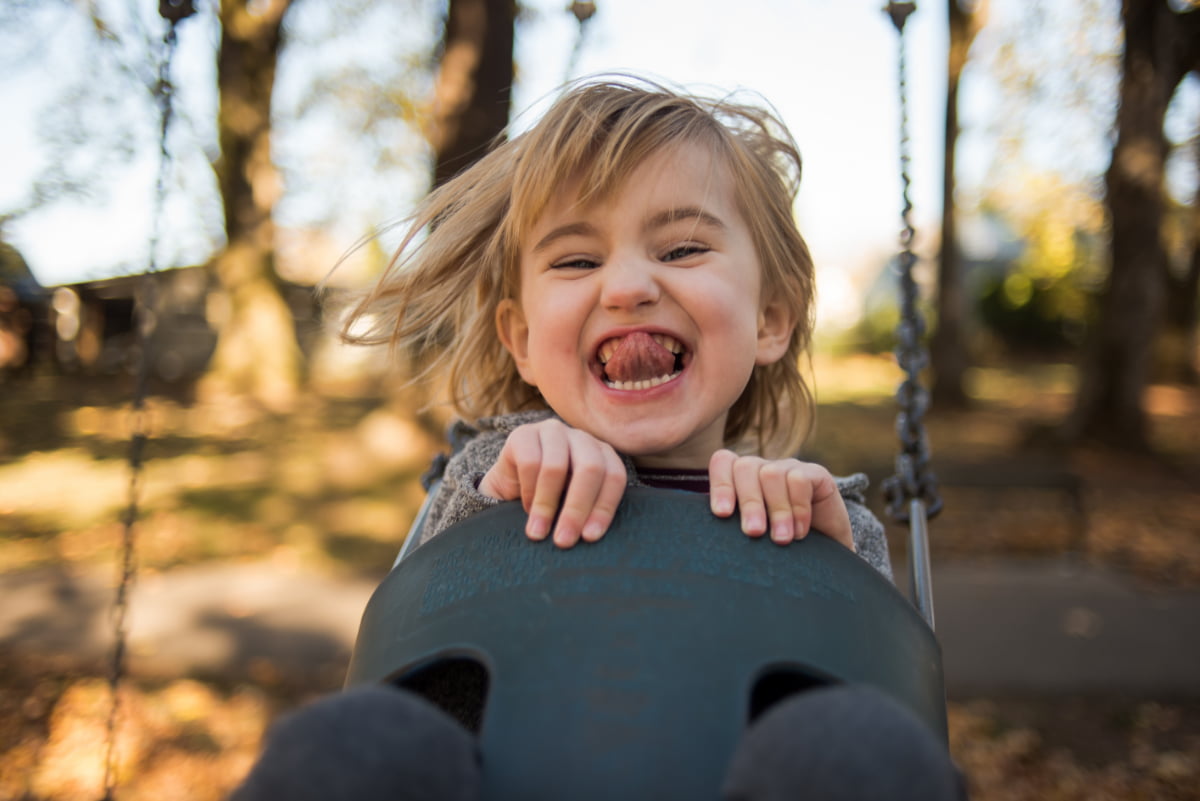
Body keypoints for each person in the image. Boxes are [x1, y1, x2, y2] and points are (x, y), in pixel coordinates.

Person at [231, 76, 966, 801]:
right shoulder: (495, 474)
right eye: (577, 260)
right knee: (352, 741)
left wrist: (828, 563)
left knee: (860, 744)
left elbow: (880, 673)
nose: (626, 287)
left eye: (681, 249)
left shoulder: (809, 509)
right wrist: (503, 495)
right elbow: (420, 643)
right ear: (520, 338)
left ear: (771, 317)